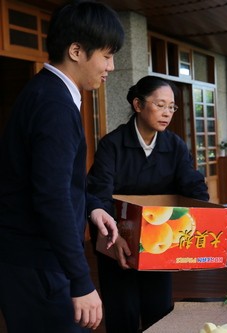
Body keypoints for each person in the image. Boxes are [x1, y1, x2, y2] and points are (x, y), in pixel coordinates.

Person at [0, 1, 124, 332]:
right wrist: (81, 281)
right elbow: (51, 197)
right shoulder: (54, 104)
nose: (111, 66)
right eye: (107, 55)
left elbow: (60, 179)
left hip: (32, 260)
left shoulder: (46, 92)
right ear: (75, 50)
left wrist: (93, 207)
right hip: (38, 263)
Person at [87, 75, 209, 333]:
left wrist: (204, 215)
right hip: (117, 241)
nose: (167, 113)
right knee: (123, 313)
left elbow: (192, 185)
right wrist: (114, 238)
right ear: (138, 105)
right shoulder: (112, 145)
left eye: (171, 107)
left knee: (159, 311)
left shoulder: (174, 145)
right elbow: (98, 194)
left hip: (158, 242)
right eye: (160, 105)